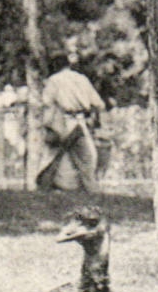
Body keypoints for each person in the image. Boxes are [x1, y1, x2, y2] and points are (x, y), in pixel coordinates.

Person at [35, 52, 106, 192]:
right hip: (80, 121)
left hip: (62, 122)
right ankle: (91, 190)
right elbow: (98, 104)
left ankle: (44, 188)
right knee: (87, 160)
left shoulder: (54, 80)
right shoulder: (82, 79)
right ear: (68, 64)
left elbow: (46, 102)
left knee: (52, 158)